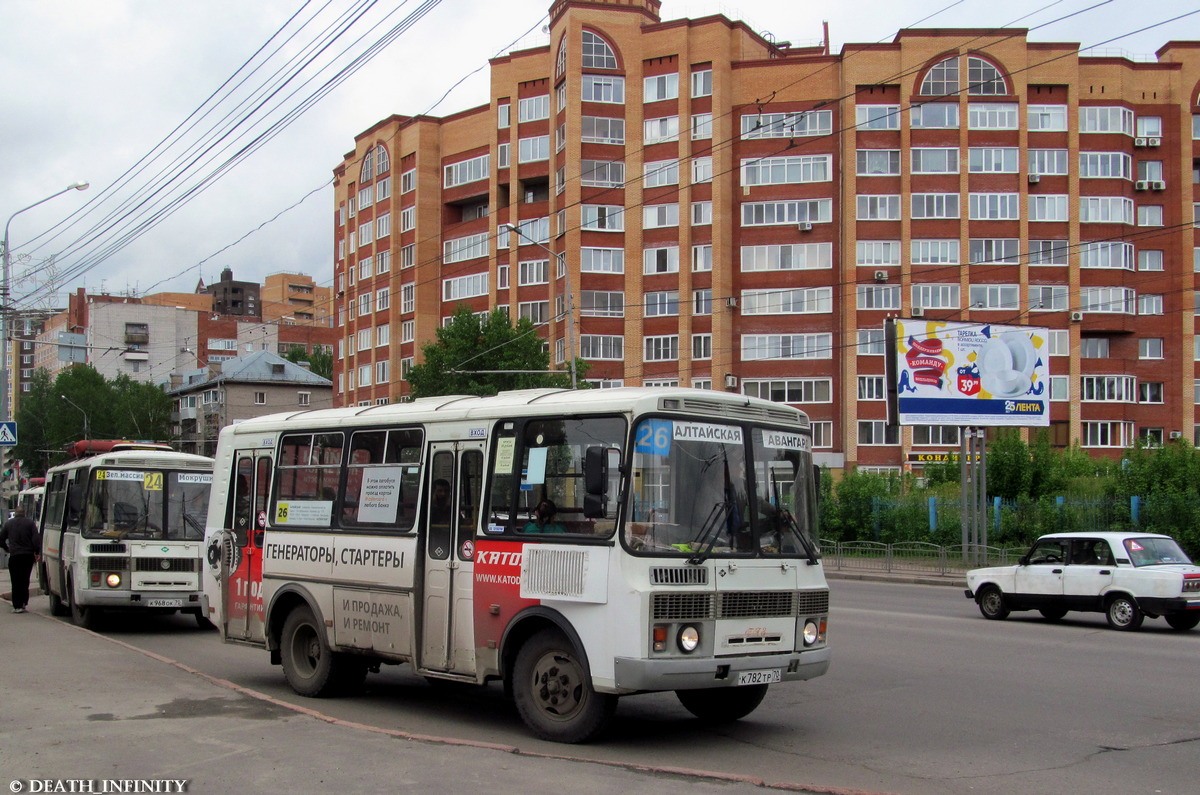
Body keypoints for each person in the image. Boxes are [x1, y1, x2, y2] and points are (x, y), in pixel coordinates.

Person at [0, 506, 41, 613]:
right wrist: (36, 552)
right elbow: (36, 540)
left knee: (15, 580)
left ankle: (16, 604)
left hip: (14, 556)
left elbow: (1, 539)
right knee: (24, 580)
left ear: (16, 513)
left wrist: (7, 549)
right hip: (27, 556)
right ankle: (23, 603)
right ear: (24, 513)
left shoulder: (8, 524)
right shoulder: (30, 523)